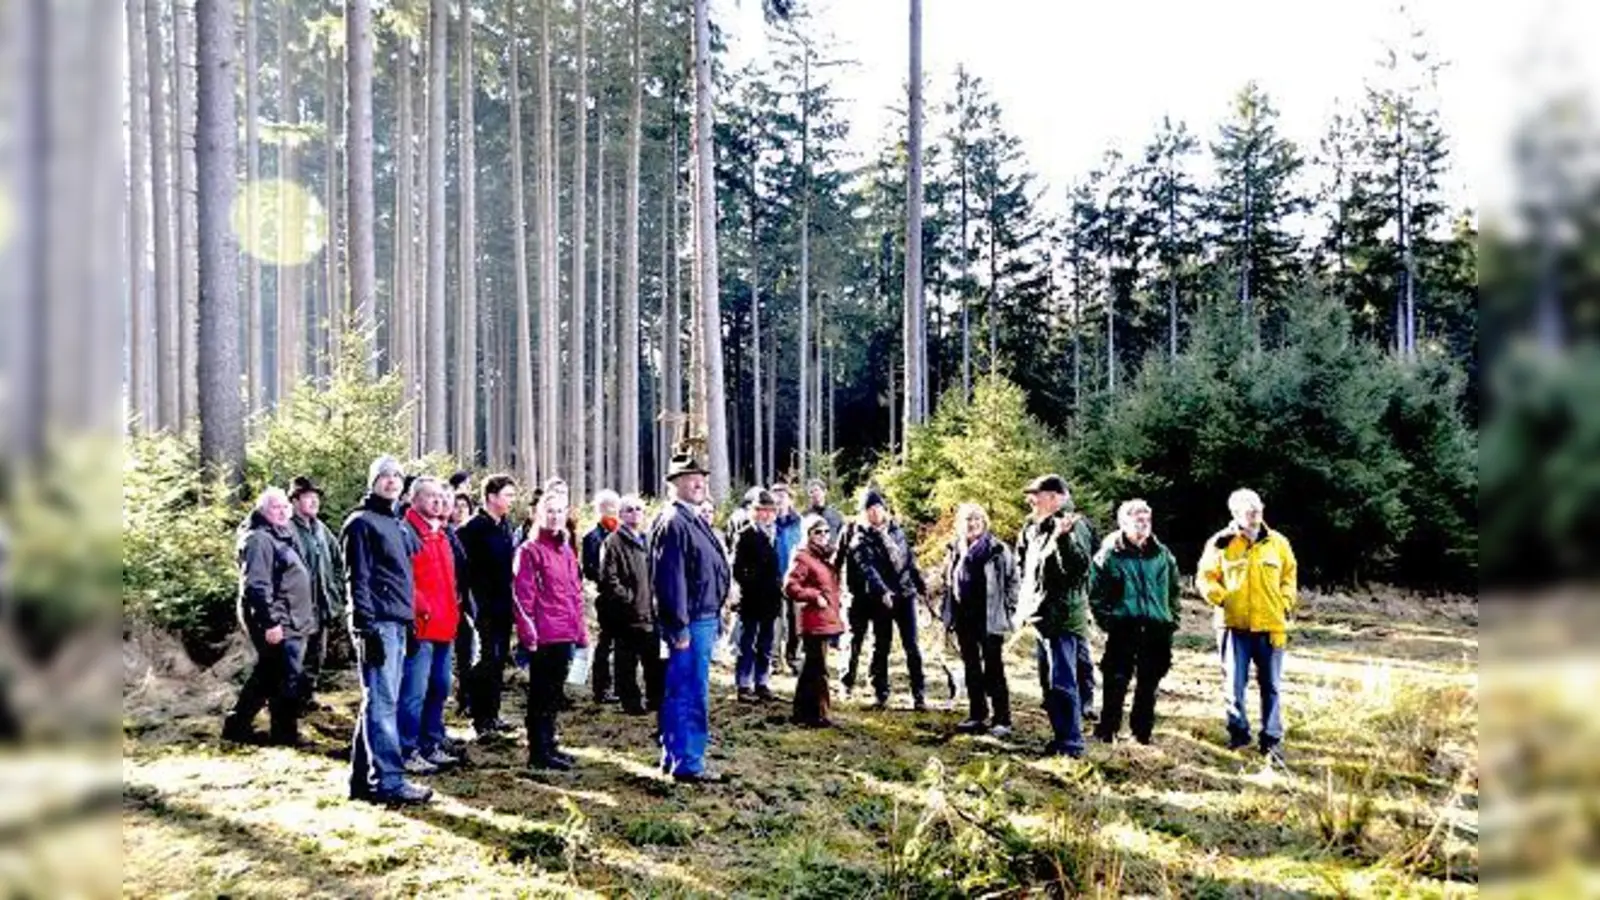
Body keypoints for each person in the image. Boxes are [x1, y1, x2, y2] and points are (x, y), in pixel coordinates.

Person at [344, 456, 431, 804]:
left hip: (397, 622)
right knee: (382, 704)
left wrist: (408, 621)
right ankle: (390, 783)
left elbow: (404, 577)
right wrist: (365, 628)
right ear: (372, 481)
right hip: (376, 623)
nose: (392, 481)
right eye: (384, 475)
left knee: (378, 703)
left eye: (397, 476)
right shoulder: (361, 523)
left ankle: (361, 782)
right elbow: (358, 579)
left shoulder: (396, 523)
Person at [1197, 488, 1297, 764]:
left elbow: (1289, 576)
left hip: (1271, 626)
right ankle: (1239, 736)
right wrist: (1223, 600)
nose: (1254, 512)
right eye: (1247, 508)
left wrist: (1285, 602)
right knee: (1234, 685)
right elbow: (1205, 578)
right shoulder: (1220, 543)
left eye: (1257, 506)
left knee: (1272, 686)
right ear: (1235, 513)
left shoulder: (1279, 543)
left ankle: (1272, 741)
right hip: (1233, 627)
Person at [652, 446, 733, 783]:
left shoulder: (692, 518)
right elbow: (670, 581)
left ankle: (676, 758)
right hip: (691, 623)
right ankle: (687, 763)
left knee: (683, 691)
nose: (698, 482)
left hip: (703, 618)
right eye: (690, 478)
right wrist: (680, 628)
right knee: (689, 692)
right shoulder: (674, 521)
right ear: (675, 483)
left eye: (700, 477)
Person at [223, 487, 317, 747]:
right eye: (276, 507)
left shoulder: (280, 535)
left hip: (291, 619)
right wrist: (270, 622)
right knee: (284, 676)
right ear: (262, 510)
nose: (283, 511)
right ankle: (283, 735)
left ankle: (239, 726)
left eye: (285, 506)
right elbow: (257, 585)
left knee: (270, 674)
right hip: (279, 620)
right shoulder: (259, 539)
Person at [1017, 474, 1096, 759]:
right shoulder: (1034, 527)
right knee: (1049, 683)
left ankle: (1071, 743)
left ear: (1054, 497)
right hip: (1041, 616)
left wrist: (1062, 539)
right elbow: (1027, 570)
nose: (1031, 500)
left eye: (1036, 495)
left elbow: (1078, 568)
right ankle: (1061, 737)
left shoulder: (1074, 525)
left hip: (1062, 617)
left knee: (1063, 682)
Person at [1089, 499, 1180, 745]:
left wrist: (1171, 619)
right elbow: (1095, 593)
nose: (1143, 522)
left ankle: (1141, 735)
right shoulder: (1110, 554)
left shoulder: (1162, 555)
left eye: (1146, 518)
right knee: (1115, 681)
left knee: (1149, 684)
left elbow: (1174, 590)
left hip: (1157, 627)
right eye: (1137, 517)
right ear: (1123, 522)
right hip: (1123, 626)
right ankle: (1107, 731)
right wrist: (1108, 621)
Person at [512, 492, 589, 771]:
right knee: (541, 694)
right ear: (538, 514)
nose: (555, 516)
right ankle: (538, 751)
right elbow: (522, 596)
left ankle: (550, 742)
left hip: (565, 632)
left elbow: (575, 594)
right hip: (543, 635)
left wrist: (581, 632)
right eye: (550, 511)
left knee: (555, 693)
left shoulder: (566, 550)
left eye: (559, 511)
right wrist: (528, 634)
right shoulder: (529, 550)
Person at [396, 477, 463, 774]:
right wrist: (420, 610)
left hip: (445, 625)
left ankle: (430, 743)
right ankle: (406, 749)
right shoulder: (406, 532)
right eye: (430, 496)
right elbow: (404, 579)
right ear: (414, 499)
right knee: (414, 692)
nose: (438, 501)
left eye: (440, 496)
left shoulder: (442, 534)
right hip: (421, 628)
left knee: (439, 687)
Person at [846, 489, 928, 711]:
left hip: (905, 594)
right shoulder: (860, 538)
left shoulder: (896, 531)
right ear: (863, 513)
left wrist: (921, 584)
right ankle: (880, 692)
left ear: (884, 509)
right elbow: (868, 569)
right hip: (881, 598)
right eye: (869, 510)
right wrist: (882, 591)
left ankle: (919, 693)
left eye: (877, 508)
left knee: (912, 645)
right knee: (881, 646)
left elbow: (908, 559)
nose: (874, 513)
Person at [940, 503, 1018, 739]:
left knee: (994, 667)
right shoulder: (955, 549)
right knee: (971, 666)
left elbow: (1014, 580)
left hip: (990, 617)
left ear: (984, 522)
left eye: (976, 519)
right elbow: (948, 582)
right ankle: (977, 715)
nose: (971, 524)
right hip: (964, 616)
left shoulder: (997, 549)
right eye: (967, 519)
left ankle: (1002, 718)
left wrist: (1010, 608)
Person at [458, 474, 520, 741]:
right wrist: (472, 606)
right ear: (491, 497)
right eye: (507, 496)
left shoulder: (505, 526)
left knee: (497, 663)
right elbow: (463, 571)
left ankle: (493, 715)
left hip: (504, 607)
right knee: (484, 662)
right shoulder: (472, 529)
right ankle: (480, 719)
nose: (511, 501)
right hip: (480, 608)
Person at [597, 494, 662, 715]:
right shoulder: (613, 542)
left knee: (654, 661)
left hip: (650, 612)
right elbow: (608, 579)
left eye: (638, 509)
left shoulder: (647, 539)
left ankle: (655, 700)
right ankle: (631, 703)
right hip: (627, 614)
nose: (635, 513)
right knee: (626, 663)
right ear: (621, 515)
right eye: (629, 510)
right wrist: (629, 599)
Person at [286, 476, 344, 714]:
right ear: (295, 500)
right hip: (297, 610)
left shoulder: (321, 530)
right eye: (308, 497)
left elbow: (339, 563)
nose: (314, 501)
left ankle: (306, 699)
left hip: (322, 606)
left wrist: (337, 591)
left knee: (315, 658)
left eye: (316, 497)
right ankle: (288, 709)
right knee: (293, 662)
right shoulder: (286, 529)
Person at [784, 514, 845, 728]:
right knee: (818, 670)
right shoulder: (803, 557)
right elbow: (791, 586)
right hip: (813, 620)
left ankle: (802, 713)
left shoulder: (824, 557)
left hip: (826, 618)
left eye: (826, 531)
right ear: (808, 534)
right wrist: (813, 596)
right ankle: (820, 714)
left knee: (811, 668)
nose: (823, 536)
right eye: (817, 532)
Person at [731, 490, 783, 703]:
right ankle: (743, 685)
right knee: (747, 643)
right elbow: (737, 569)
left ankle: (762, 682)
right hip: (752, 599)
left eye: (770, 510)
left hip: (771, 599)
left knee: (766, 643)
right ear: (753, 512)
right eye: (761, 510)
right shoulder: (744, 535)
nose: (766, 515)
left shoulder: (775, 535)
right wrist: (751, 583)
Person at [582, 489, 622, 705]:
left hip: (623, 596)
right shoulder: (591, 537)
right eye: (607, 508)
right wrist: (608, 579)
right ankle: (601, 688)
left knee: (621, 644)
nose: (612, 512)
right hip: (605, 595)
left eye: (614, 508)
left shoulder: (622, 532)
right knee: (605, 643)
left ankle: (619, 685)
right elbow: (589, 569)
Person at [770, 482, 805, 673]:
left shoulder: (800, 522)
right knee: (776, 623)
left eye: (782, 496)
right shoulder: (769, 523)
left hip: (796, 580)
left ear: (790, 499)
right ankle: (774, 660)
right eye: (775, 497)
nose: (779, 501)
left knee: (796, 622)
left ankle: (795, 658)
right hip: (774, 580)